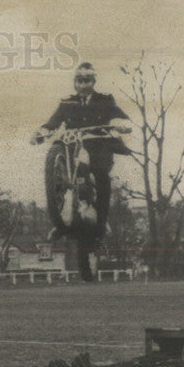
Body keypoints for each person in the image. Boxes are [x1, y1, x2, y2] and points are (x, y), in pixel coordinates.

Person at [32, 62, 131, 238]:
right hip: (73, 148)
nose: (83, 84)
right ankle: (60, 223)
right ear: (75, 82)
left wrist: (121, 124)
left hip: (99, 146)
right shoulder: (67, 102)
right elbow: (53, 122)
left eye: (87, 80)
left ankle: (101, 221)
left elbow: (119, 115)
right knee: (59, 177)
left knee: (102, 177)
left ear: (93, 82)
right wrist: (42, 132)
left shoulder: (105, 100)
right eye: (79, 80)